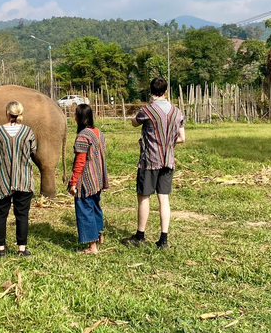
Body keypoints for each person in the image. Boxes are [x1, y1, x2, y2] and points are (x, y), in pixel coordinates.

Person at [122, 77, 185, 249]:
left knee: (144, 197)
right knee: (163, 199)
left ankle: (140, 236)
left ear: (151, 91)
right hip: (168, 161)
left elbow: (134, 123)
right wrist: (168, 143)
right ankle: (163, 239)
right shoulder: (177, 112)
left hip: (149, 160)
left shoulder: (148, 110)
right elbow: (182, 138)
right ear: (166, 91)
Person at [0, 101, 37, 258]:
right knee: (22, 214)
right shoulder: (28, 132)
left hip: (2, 180)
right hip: (23, 179)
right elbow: (33, 150)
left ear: (7, 112)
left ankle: (1, 249)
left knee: (0, 214)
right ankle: (22, 249)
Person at [68, 104, 108, 254]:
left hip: (86, 179)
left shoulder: (83, 135)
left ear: (79, 117)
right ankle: (99, 235)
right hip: (97, 178)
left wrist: (73, 182)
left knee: (85, 210)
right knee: (95, 206)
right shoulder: (98, 132)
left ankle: (92, 246)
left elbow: (80, 161)